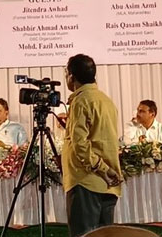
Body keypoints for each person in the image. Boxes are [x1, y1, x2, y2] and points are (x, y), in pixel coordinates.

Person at [62, 54, 123, 237]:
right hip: (107, 183)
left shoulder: (81, 101)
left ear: (71, 76)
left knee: (84, 235)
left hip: (86, 181)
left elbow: (80, 145)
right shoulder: (106, 100)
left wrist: (101, 168)